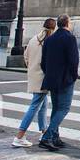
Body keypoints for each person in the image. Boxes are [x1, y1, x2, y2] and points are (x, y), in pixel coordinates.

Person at [38, 15, 79, 151]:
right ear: (67, 24)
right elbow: (73, 61)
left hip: (51, 78)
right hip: (65, 79)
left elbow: (43, 62)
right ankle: (47, 137)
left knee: (56, 108)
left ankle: (55, 137)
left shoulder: (49, 39)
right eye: (70, 22)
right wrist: (73, 76)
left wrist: (49, 73)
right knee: (64, 109)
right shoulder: (70, 38)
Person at [13, 18, 56, 148]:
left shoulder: (33, 39)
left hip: (34, 76)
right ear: (53, 29)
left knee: (43, 104)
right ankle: (19, 136)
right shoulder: (49, 41)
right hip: (43, 78)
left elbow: (26, 57)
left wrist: (32, 69)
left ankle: (44, 131)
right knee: (35, 106)